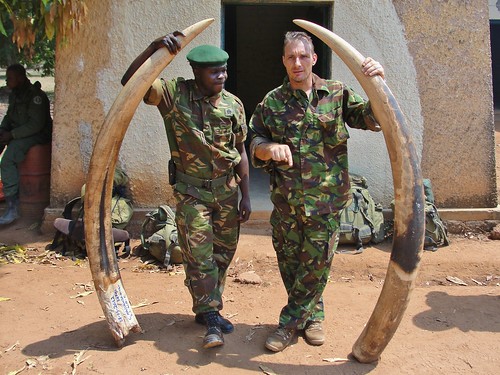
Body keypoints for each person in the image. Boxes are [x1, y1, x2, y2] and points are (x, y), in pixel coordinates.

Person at [249, 31, 385, 352]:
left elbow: (372, 118)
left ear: (313, 59)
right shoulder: (272, 102)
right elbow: (253, 140)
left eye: (302, 56)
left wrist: (378, 83)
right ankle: (313, 317)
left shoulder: (336, 94)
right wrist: (268, 149)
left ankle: (288, 325)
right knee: (292, 264)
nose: (297, 63)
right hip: (286, 203)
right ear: (283, 61)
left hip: (326, 203)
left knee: (316, 263)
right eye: (290, 57)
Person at [121, 32, 251, 349]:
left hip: (227, 193)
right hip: (193, 196)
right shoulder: (174, 95)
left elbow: (241, 150)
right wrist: (154, 48)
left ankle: (206, 305)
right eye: (213, 71)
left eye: (224, 70)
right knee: (200, 258)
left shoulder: (234, 105)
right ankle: (211, 318)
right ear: (196, 72)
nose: (221, 76)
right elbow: (131, 83)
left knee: (222, 255)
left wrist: (246, 195)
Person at [0, 64, 53, 225]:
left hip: (37, 135)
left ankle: (12, 207)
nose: (7, 81)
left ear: (21, 78)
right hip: (21, 133)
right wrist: (2, 131)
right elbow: (10, 116)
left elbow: (35, 125)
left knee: (8, 160)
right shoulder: (16, 95)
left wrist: (11, 135)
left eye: (10, 78)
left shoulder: (36, 96)